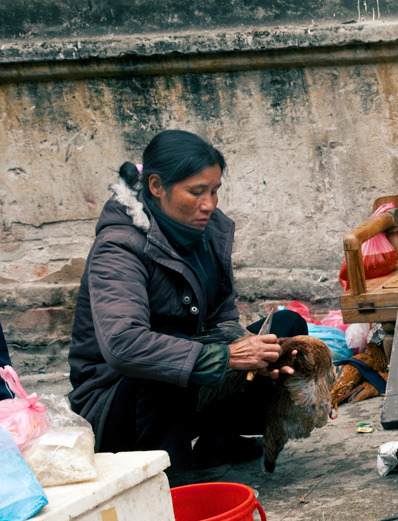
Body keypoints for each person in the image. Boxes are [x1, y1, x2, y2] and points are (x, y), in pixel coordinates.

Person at [69, 130, 308, 471]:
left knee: (286, 331)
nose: (209, 204)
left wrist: (253, 351)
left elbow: (221, 319)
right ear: (156, 186)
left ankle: (219, 438)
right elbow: (123, 345)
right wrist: (223, 356)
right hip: (118, 403)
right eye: (197, 192)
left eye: (214, 191)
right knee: (166, 368)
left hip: (183, 380)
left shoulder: (205, 232)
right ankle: (173, 478)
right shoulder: (119, 246)